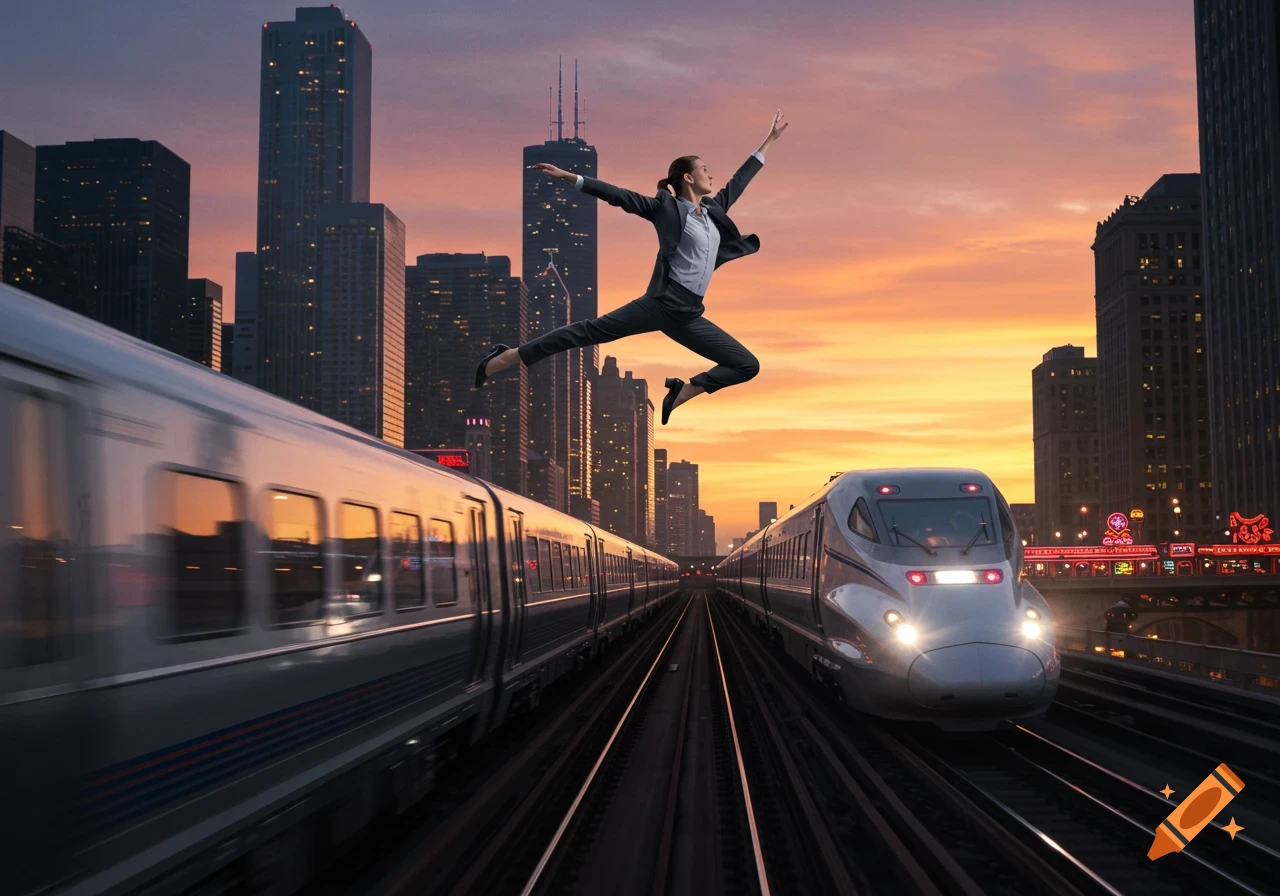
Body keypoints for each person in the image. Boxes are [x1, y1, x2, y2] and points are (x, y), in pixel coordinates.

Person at [475, 110, 789, 425]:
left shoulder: (713, 210)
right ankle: (508, 356)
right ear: (688, 178)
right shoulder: (664, 208)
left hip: (690, 314)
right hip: (661, 302)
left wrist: (770, 139)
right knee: (588, 332)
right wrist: (569, 176)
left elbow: (741, 179)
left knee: (746, 365)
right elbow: (617, 195)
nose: (712, 174)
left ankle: (683, 392)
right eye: (705, 169)